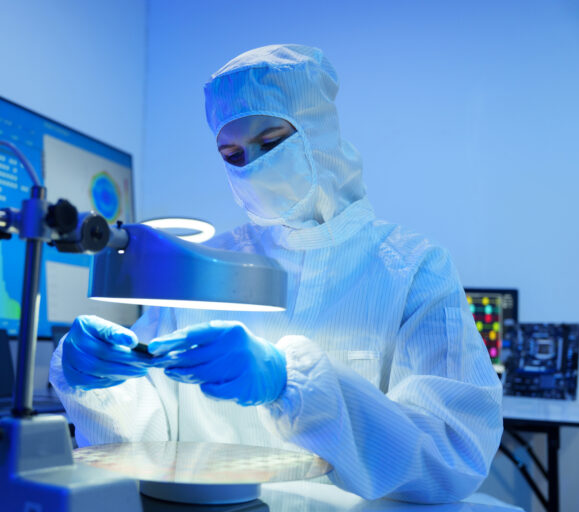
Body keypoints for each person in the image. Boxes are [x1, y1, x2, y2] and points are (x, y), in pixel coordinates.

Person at [49, 44, 502, 503]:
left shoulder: (414, 270)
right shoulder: (202, 267)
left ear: (318, 134)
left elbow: (453, 454)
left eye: (270, 144)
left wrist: (290, 382)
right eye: (232, 155)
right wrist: (98, 382)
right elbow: (147, 437)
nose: (253, 168)